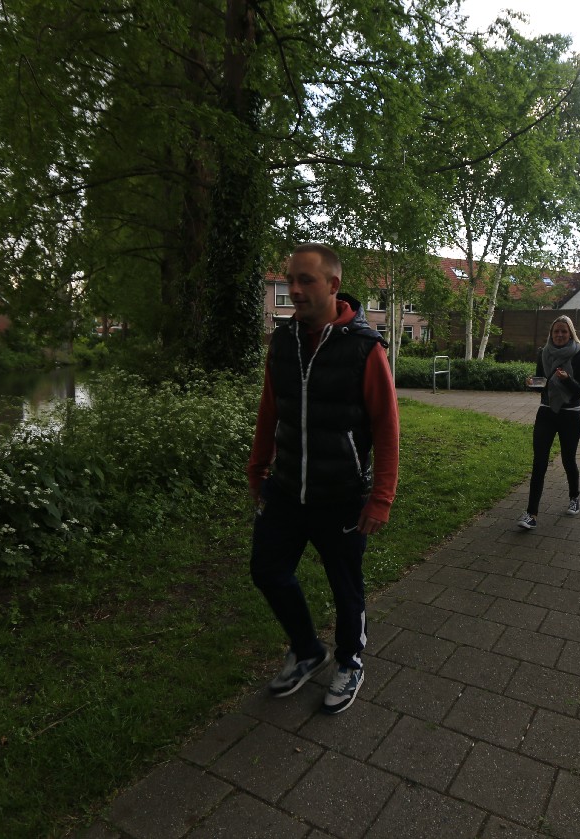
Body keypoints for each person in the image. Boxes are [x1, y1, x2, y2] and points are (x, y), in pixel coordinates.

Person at [246, 243, 400, 715]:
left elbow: (386, 426)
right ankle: (308, 649)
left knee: (345, 587)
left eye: (305, 280)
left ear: (333, 285)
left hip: (341, 495)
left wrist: (381, 498)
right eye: (290, 279)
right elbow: (271, 409)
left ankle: (350, 661)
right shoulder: (283, 341)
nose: (294, 289)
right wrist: (258, 466)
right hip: (287, 488)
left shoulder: (364, 347)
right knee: (267, 570)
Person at [518, 315, 580, 530]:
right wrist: (532, 383)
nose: (559, 335)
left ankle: (574, 497)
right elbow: (543, 384)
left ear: (570, 334)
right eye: (556, 331)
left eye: (564, 331)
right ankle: (531, 514)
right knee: (539, 462)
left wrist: (567, 380)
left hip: (570, 414)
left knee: (568, 459)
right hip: (546, 412)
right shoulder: (544, 353)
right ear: (551, 333)